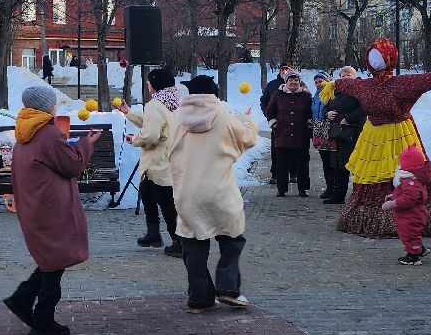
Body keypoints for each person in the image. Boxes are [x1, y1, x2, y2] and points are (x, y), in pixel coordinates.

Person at [320, 39, 431, 239]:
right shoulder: (365, 86)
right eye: (372, 57)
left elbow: (418, 81)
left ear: (389, 59)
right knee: (372, 173)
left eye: (379, 57)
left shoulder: (399, 84)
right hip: (373, 135)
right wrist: (334, 84)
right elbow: (349, 84)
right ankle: (374, 218)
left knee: (403, 171)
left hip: (399, 133)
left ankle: (411, 216)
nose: (374, 62)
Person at [2, 82, 98, 335]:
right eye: (54, 103)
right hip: (51, 210)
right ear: (46, 107)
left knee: (52, 261)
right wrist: (86, 144)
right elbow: (73, 166)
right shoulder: (48, 134)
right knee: (55, 261)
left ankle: (22, 299)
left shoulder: (25, 132)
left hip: (36, 207)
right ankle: (42, 320)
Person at [169, 75, 260, 313]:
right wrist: (248, 121)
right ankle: (228, 287)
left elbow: (170, 153)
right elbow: (249, 138)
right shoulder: (227, 120)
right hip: (219, 191)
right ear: (213, 95)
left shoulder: (179, 122)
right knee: (232, 238)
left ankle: (200, 299)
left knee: (193, 247)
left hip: (188, 193)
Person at [117, 67, 182, 255]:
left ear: (155, 84)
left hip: (157, 163)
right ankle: (154, 234)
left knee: (166, 202)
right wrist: (128, 112)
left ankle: (179, 241)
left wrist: (135, 140)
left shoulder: (154, 105)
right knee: (147, 194)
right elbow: (151, 123)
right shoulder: (169, 103)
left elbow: (151, 135)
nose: (147, 84)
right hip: (165, 160)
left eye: (149, 81)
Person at [383, 145, 431, 265]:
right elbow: (405, 193)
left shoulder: (412, 181)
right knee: (408, 233)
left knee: (410, 234)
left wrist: (393, 203)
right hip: (407, 215)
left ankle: (414, 256)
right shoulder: (410, 179)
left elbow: (409, 199)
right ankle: (419, 249)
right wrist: (394, 196)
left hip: (411, 215)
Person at [320, 66, 365, 205]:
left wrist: (349, 118)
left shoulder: (360, 89)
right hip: (339, 134)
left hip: (355, 133)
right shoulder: (335, 90)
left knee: (357, 167)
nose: (345, 78)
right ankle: (338, 196)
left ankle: (359, 198)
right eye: (342, 75)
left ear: (354, 76)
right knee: (340, 166)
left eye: (348, 75)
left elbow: (365, 108)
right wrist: (327, 114)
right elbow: (326, 106)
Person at [264, 71, 313, 197]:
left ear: (299, 82)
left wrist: (309, 124)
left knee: (302, 164)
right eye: (290, 80)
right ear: (286, 81)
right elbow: (270, 110)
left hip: (301, 136)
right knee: (282, 164)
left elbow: (310, 112)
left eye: (296, 80)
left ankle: (303, 189)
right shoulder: (278, 94)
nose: (293, 82)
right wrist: (274, 123)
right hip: (282, 135)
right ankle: (281, 189)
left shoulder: (306, 96)